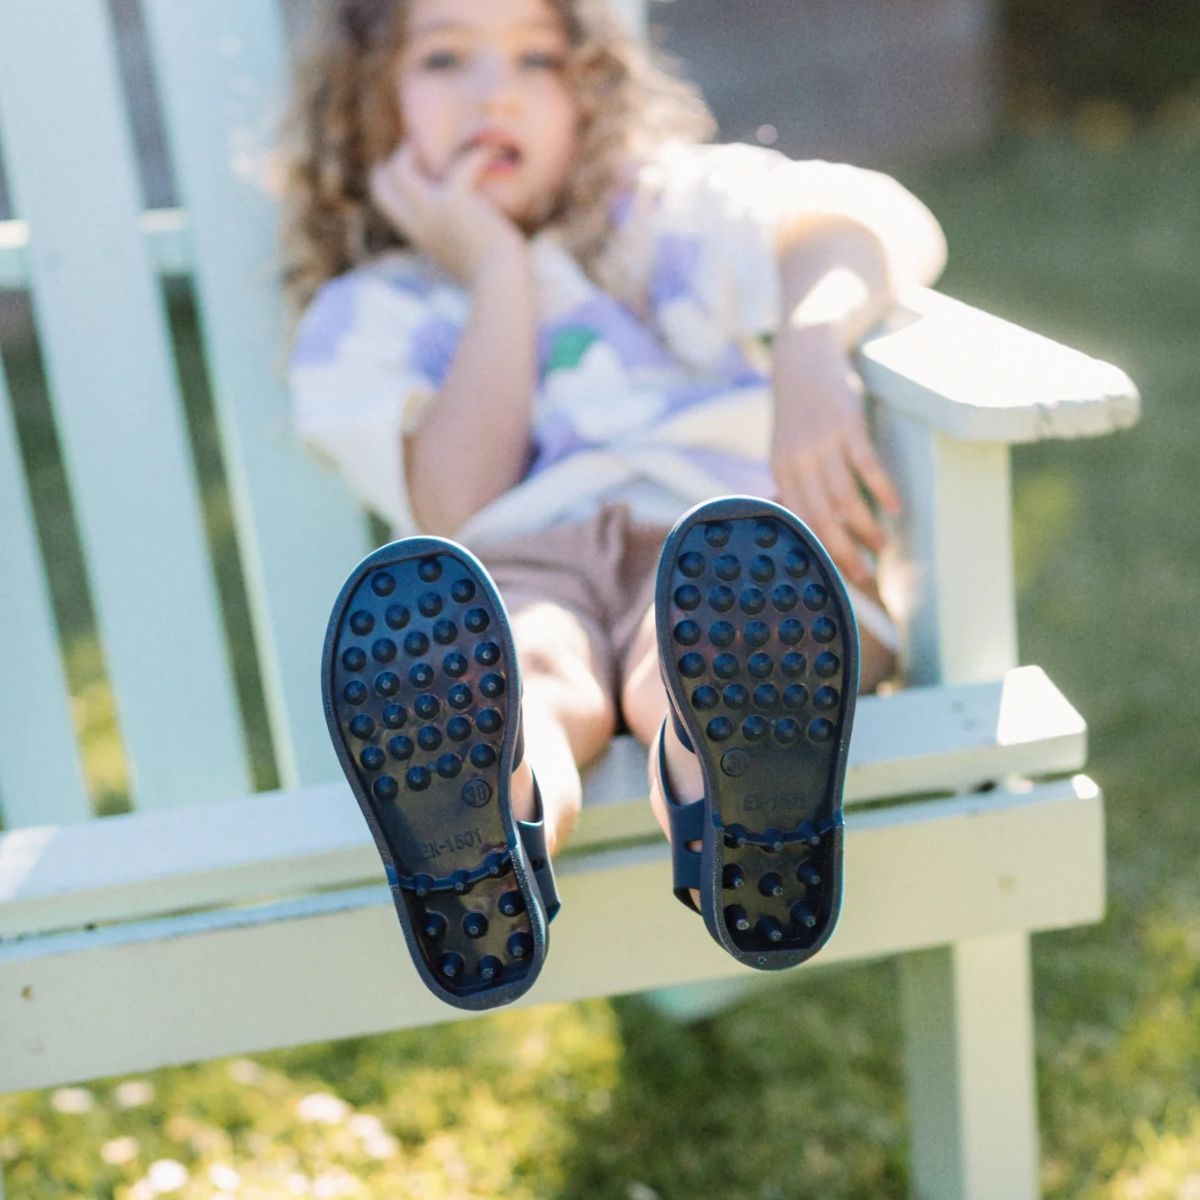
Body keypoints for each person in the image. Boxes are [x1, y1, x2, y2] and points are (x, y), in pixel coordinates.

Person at [283, 0, 947, 1008]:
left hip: (725, 540)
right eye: (445, 57)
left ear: (590, 87)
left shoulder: (663, 215)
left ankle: (721, 769)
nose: (492, 90)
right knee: (526, 668)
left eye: (536, 59)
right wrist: (496, 268)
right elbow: (457, 501)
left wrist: (811, 354)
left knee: (684, 648)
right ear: (365, 101)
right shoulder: (371, 311)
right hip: (522, 556)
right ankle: (491, 829)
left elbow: (865, 226)